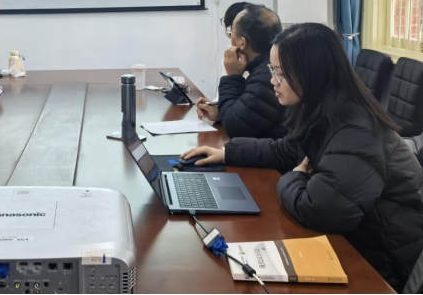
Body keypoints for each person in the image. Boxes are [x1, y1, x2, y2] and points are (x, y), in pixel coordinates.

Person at [181, 23, 423, 292]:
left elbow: (319, 209)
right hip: (352, 240)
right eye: (272, 70)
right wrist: (226, 152)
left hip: (382, 261)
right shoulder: (320, 107)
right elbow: (285, 150)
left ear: (312, 73)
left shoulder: (356, 129)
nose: (273, 81)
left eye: (281, 74)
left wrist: (293, 177)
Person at [198, 4, 286, 139]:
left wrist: (232, 78)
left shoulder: (265, 77)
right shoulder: (267, 65)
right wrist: (221, 112)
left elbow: (236, 129)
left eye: (231, 31)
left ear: (242, 43)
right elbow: (249, 117)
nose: (229, 35)